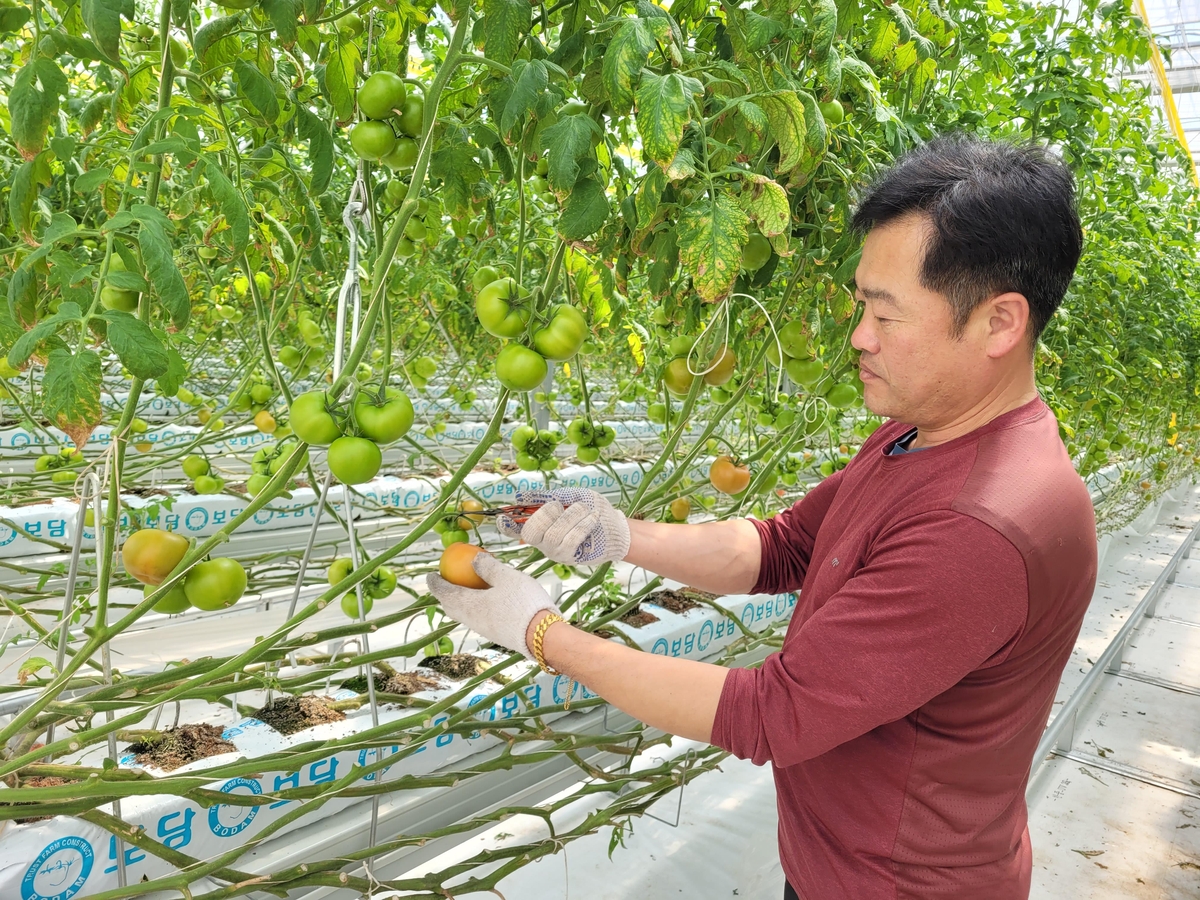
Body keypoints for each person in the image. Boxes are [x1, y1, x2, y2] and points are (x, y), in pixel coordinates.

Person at [427, 135, 1097, 900]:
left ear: (999, 324)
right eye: (860, 305)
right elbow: (783, 548)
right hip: (837, 866)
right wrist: (621, 536)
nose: (859, 338)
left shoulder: (982, 524)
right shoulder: (921, 431)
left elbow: (773, 714)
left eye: (886, 314)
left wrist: (542, 635)